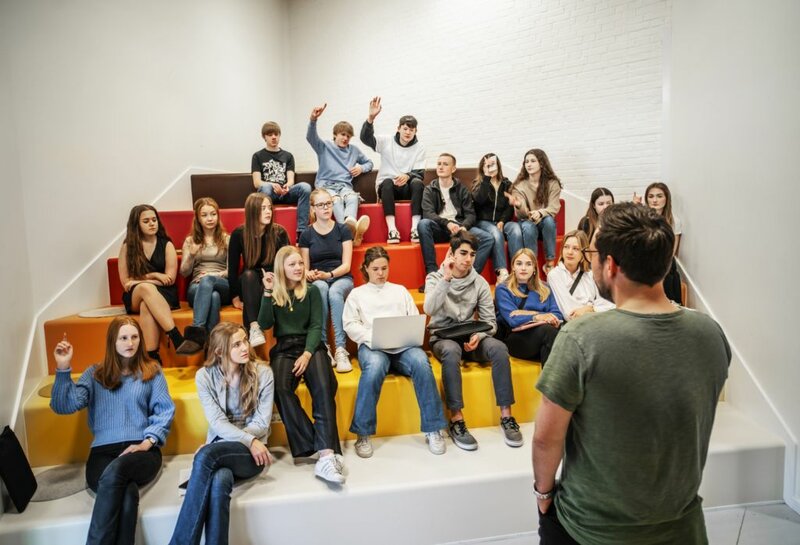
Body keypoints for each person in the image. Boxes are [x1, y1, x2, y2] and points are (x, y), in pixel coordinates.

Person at [532, 203, 730, 544]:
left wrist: (543, 494)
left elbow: (546, 438)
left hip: (591, 531)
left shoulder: (581, 338)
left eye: (592, 253)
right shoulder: (711, 334)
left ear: (610, 265)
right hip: (683, 529)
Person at [50, 317, 175, 545]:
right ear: (112, 342)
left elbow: (165, 411)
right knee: (127, 495)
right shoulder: (94, 374)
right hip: (102, 453)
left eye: (134, 337)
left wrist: (147, 442)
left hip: (143, 451)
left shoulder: (152, 371)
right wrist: (63, 367)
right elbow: (63, 405)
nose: (130, 343)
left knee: (117, 469)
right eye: (123, 338)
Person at [169, 322, 274, 545]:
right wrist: (245, 440)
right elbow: (217, 422)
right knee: (220, 480)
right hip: (234, 447)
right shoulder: (204, 376)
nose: (245, 347)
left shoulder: (264, 373)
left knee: (205, 455)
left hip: (252, 454)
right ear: (219, 351)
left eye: (245, 341)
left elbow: (261, 424)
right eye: (236, 344)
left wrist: (244, 441)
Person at [343, 246, 447, 457]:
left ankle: (433, 429)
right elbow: (350, 324)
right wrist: (372, 337)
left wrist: (408, 335)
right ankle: (363, 433)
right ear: (366, 268)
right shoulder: (357, 294)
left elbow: (412, 317)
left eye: (384, 268)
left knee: (421, 362)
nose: (381, 273)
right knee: (374, 367)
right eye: (375, 269)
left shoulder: (400, 291)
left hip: (403, 347)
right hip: (373, 346)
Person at [423, 231, 522, 451]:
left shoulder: (480, 282)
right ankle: (457, 419)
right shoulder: (435, 278)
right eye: (463, 253)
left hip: (471, 336)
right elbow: (429, 309)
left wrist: (481, 336)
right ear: (451, 254)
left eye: (472, 254)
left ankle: (507, 416)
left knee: (499, 348)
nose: (468, 259)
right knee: (451, 352)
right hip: (442, 336)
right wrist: (446, 279)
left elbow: (490, 322)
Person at [257, 245, 345, 484]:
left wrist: (307, 354)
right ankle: (316, 440)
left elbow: (317, 326)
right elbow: (265, 324)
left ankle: (326, 455)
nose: (298, 268)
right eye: (292, 264)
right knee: (280, 388)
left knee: (324, 386)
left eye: (300, 263)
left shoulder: (313, 290)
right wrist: (267, 292)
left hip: (311, 344)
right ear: (281, 268)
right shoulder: (275, 293)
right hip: (285, 347)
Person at [118, 204, 200, 360]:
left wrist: (143, 280)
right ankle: (176, 336)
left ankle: (152, 357)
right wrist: (154, 276)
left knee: (146, 304)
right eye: (146, 221)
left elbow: (170, 279)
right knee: (145, 288)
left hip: (164, 293)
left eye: (154, 220)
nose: (152, 224)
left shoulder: (166, 244)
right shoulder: (128, 247)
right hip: (136, 294)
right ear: (136, 224)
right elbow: (126, 282)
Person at [299, 188, 355, 373]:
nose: (326, 208)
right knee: (320, 289)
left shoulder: (343, 229)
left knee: (335, 292)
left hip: (341, 277)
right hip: (319, 278)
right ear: (313, 208)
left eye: (329, 203)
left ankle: (341, 348)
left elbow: (346, 265)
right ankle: (323, 347)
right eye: (321, 204)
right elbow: (305, 267)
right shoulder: (306, 234)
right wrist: (309, 273)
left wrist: (329, 275)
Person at [417, 153, 493, 291]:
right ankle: (432, 276)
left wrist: (464, 227)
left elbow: (470, 214)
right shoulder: (430, 189)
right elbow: (428, 213)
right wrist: (447, 223)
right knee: (423, 224)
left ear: (453, 169)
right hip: (441, 228)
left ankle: (469, 277)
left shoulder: (461, 189)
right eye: (439, 164)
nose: (441, 167)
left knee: (488, 238)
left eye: (445, 164)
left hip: (460, 230)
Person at [359, 96, 426, 244]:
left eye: (411, 130)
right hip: (387, 188)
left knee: (418, 183)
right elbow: (365, 138)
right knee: (388, 182)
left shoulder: (420, 147)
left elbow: (420, 174)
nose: (408, 132)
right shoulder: (386, 141)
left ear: (416, 131)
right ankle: (392, 230)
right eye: (405, 128)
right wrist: (371, 118)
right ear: (398, 128)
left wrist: (407, 176)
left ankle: (415, 228)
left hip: (406, 187)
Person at [228, 193, 290, 348]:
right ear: (252, 211)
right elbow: (232, 269)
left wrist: (275, 278)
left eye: (269, 208)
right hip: (250, 282)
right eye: (263, 208)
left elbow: (286, 262)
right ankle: (254, 327)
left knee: (266, 282)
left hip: (274, 279)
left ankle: (265, 340)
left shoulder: (279, 232)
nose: (268, 212)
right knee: (248, 275)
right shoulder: (239, 234)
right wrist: (235, 297)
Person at [307, 102, 373, 246]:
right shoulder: (324, 147)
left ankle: (350, 226)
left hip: (344, 186)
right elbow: (311, 137)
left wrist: (361, 168)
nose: (345, 138)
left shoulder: (354, 150)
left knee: (352, 197)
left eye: (349, 136)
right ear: (335, 135)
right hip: (326, 186)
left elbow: (369, 163)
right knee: (335, 200)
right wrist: (313, 119)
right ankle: (349, 233)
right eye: (343, 134)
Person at [495, 248, 561, 365]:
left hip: (543, 338)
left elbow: (557, 315)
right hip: (515, 339)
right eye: (519, 263)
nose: (523, 268)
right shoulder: (503, 289)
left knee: (549, 342)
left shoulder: (545, 288)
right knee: (548, 332)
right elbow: (513, 319)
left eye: (528, 264)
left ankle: (549, 376)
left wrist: (529, 313)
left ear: (534, 268)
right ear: (513, 267)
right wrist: (539, 316)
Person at [180, 197, 230, 349]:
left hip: (222, 283)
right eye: (205, 215)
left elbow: (231, 271)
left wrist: (213, 276)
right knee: (213, 297)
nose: (210, 218)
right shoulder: (190, 241)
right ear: (198, 218)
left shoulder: (227, 239)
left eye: (213, 214)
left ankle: (196, 331)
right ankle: (211, 346)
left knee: (208, 281)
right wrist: (191, 255)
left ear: (218, 216)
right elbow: (184, 273)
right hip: (196, 287)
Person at [252, 121, 311, 240]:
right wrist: (273, 185)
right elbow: (257, 183)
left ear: (279, 135)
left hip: (285, 193)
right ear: (264, 137)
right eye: (270, 135)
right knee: (265, 188)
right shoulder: (257, 156)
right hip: (268, 193)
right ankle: (265, 231)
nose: (274, 137)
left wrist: (286, 187)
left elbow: (291, 180)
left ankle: (302, 232)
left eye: (276, 134)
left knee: (305, 187)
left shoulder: (288, 156)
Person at [506, 149, 562, 273]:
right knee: (528, 226)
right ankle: (533, 265)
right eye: (526, 162)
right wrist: (519, 205)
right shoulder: (519, 186)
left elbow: (554, 207)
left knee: (549, 221)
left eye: (532, 161)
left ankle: (550, 263)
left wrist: (540, 213)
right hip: (527, 221)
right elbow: (521, 215)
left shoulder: (552, 183)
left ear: (541, 163)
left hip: (545, 225)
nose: (529, 164)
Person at [548, 230, 615, 321]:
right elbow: (569, 313)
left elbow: (610, 304)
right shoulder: (554, 275)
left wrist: (590, 308)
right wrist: (593, 307)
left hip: (596, 320)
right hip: (576, 324)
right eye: (566, 247)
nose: (570, 252)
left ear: (584, 253)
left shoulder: (590, 274)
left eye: (575, 249)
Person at [635, 182, 683, 304]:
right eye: (651, 196)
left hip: (664, 261)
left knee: (669, 267)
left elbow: (672, 251)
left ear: (666, 199)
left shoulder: (674, 221)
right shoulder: (642, 218)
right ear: (646, 199)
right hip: (644, 260)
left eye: (659, 196)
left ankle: (670, 303)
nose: (655, 200)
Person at [471, 152, 514, 284]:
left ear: (498, 165)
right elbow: (479, 201)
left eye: (493, 164)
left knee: (515, 229)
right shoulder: (478, 183)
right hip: (482, 222)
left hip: (501, 221)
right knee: (495, 232)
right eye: (487, 165)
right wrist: (486, 178)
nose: (491, 167)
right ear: (483, 167)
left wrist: (502, 220)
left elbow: (509, 207)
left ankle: (516, 269)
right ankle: (501, 271)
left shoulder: (506, 183)